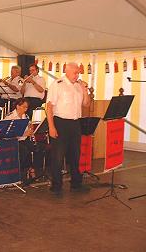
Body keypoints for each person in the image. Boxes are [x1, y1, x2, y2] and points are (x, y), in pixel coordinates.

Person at [46, 62, 90, 194]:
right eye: (75, 72)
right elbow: (49, 107)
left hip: (75, 123)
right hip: (60, 122)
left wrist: (84, 89)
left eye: (78, 73)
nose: (77, 75)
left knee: (75, 155)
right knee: (58, 156)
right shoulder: (58, 84)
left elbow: (86, 104)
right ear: (67, 71)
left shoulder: (78, 86)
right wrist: (51, 127)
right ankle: (56, 186)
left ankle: (76, 184)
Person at [5, 98, 45, 184]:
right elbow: (8, 134)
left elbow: (28, 132)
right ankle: (23, 172)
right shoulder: (10, 117)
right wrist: (24, 134)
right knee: (24, 150)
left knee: (39, 148)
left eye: (26, 108)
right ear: (17, 106)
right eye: (24, 107)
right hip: (13, 142)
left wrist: (31, 130)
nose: (25, 109)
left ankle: (32, 168)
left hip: (24, 140)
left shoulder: (26, 116)